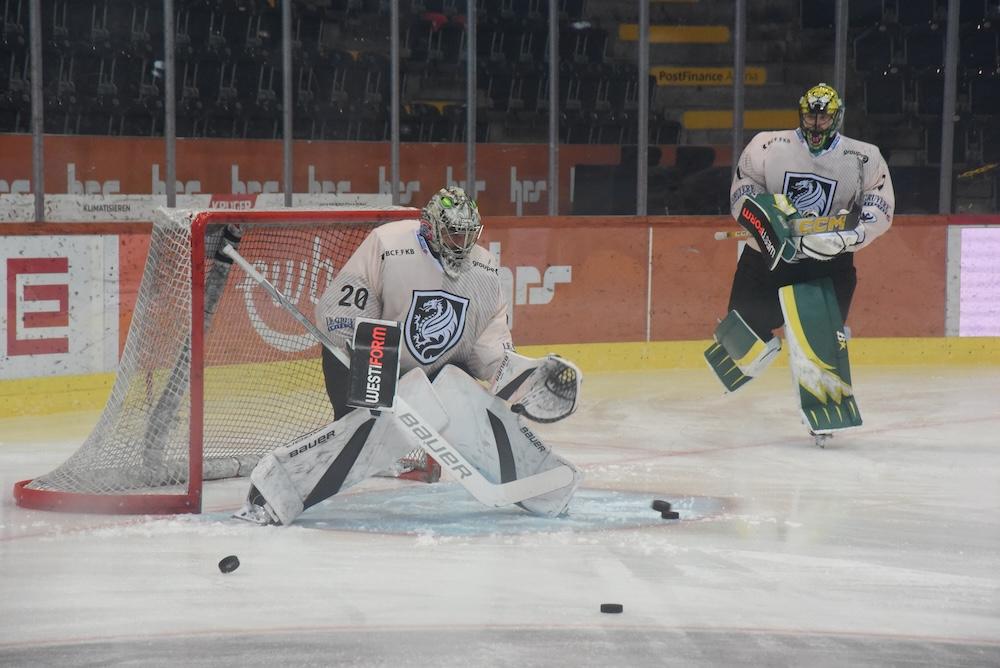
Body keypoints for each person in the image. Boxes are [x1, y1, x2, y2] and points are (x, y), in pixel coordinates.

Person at [236, 186, 583, 524]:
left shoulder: (485, 269)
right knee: (363, 430)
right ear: (430, 228)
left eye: (467, 235)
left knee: (459, 392)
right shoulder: (388, 244)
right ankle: (275, 492)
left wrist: (522, 379)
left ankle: (545, 489)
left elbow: (488, 347)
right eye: (453, 234)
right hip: (365, 362)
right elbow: (337, 313)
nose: (460, 244)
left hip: (431, 377)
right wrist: (375, 360)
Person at [705, 83, 895, 445]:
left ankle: (824, 412)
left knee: (820, 341)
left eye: (824, 117)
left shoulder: (863, 157)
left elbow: (879, 206)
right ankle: (758, 346)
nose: (817, 124)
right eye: (811, 115)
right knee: (737, 343)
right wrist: (768, 216)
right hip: (769, 257)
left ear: (837, 117)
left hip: (827, 262)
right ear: (800, 114)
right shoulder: (767, 146)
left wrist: (849, 237)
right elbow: (743, 191)